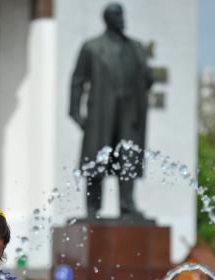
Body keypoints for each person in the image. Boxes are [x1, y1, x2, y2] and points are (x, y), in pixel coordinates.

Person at [69, 2, 153, 220]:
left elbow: (147, 78)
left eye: (122, 15)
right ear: (108, 19)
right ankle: (92, 209)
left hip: (128, 114)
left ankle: (128, 205)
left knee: (128, 158)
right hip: (101, 114)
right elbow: (77, 80)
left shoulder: (135, 48)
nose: (122, 19)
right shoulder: (92, 47)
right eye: (117, 16)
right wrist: (76, 112)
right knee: (97, 161)